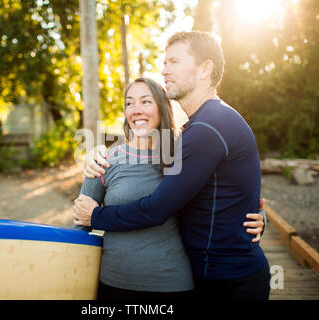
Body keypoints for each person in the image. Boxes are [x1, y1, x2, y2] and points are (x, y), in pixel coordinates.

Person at [73, 31, 270, 300]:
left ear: (205, 69)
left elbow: (158, 208)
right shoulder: (196, 129)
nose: (164, 71)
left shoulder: (210, 126)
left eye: (174, 62)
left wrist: (96, 216)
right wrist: (98, 153)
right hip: (202, 274)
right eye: (164, 63)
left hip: (229, 283)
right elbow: (231, 192)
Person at [77, 77, 195, 301]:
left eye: (145, 102)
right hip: (114, 283)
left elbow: (223, 195)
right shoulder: (105, 160)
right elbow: (79, 226)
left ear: (162, 107)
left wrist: (259, 216)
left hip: (172, 285)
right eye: (129, 103)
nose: (136, 110)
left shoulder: (183, 155)